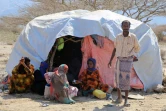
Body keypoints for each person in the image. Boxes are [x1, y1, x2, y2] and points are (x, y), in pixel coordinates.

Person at [108, 20, 140, 107]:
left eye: (127, 26)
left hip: (128, 60)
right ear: (121, 27)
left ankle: (126, 100)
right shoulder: (118, 37)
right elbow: (115, 49)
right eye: (124, 26)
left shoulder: (133, 37)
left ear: (129, 27)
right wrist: (110, 60)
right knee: (118, 79)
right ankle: (119, 98)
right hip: (119, 59)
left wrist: (134, 55)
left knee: (126, 80)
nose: (125, 27)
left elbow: (137, 48)